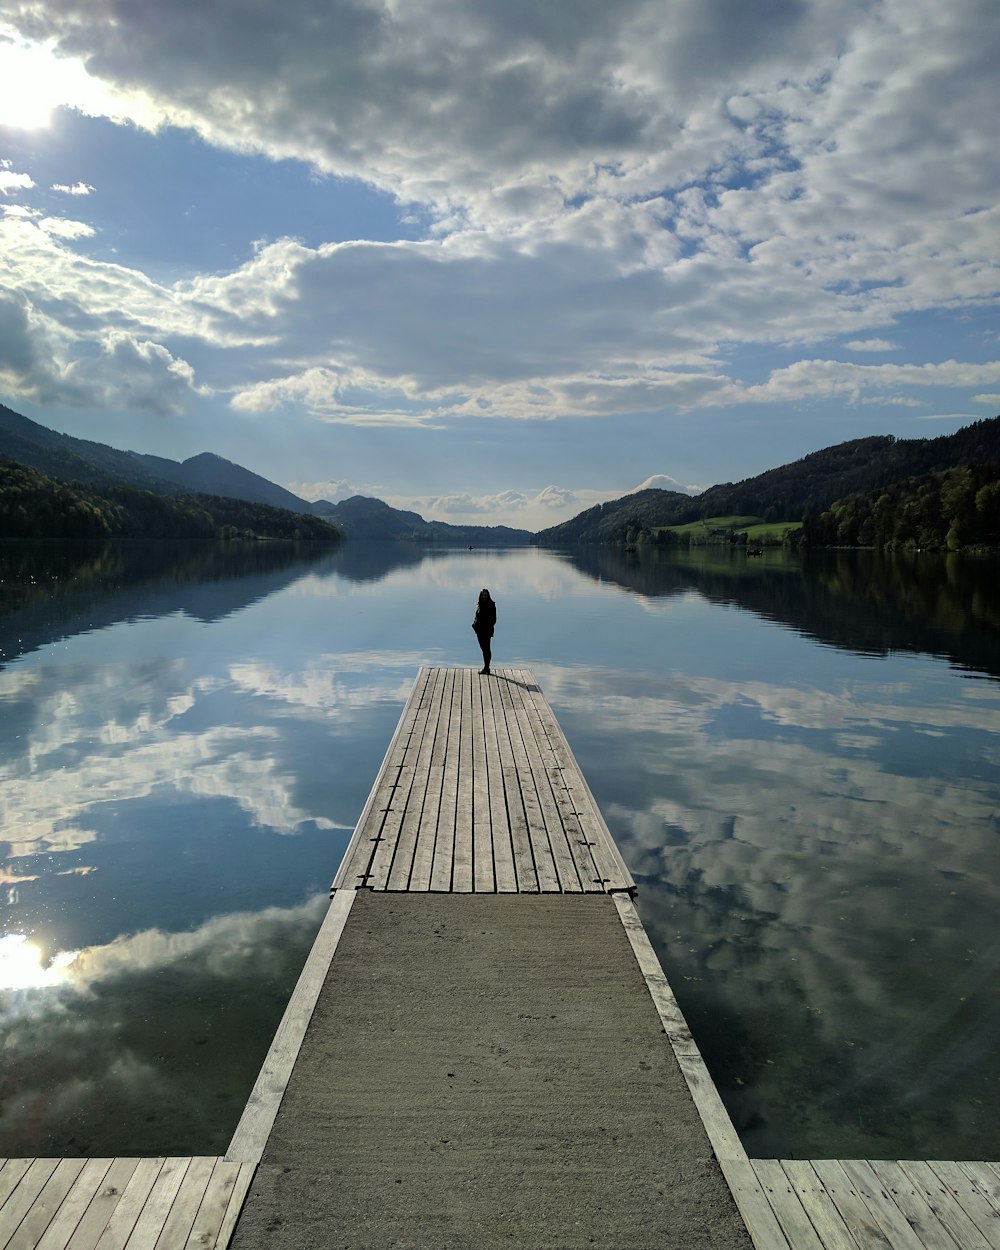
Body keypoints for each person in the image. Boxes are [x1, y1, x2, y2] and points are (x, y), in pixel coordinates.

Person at [472, 588, 496, 675]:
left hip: (486, 631)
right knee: (483, 649)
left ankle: (486, 668)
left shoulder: (491, 605)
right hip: (479, 631)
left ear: (488, 595)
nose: (484, 597)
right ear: (480, 596)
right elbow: (478, 617)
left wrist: (486, 625)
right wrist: (475, 625)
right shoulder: (480, 605)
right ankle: (486, 667)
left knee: (486, 649)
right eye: (482, 595)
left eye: (485, 595)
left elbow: (494, 619)